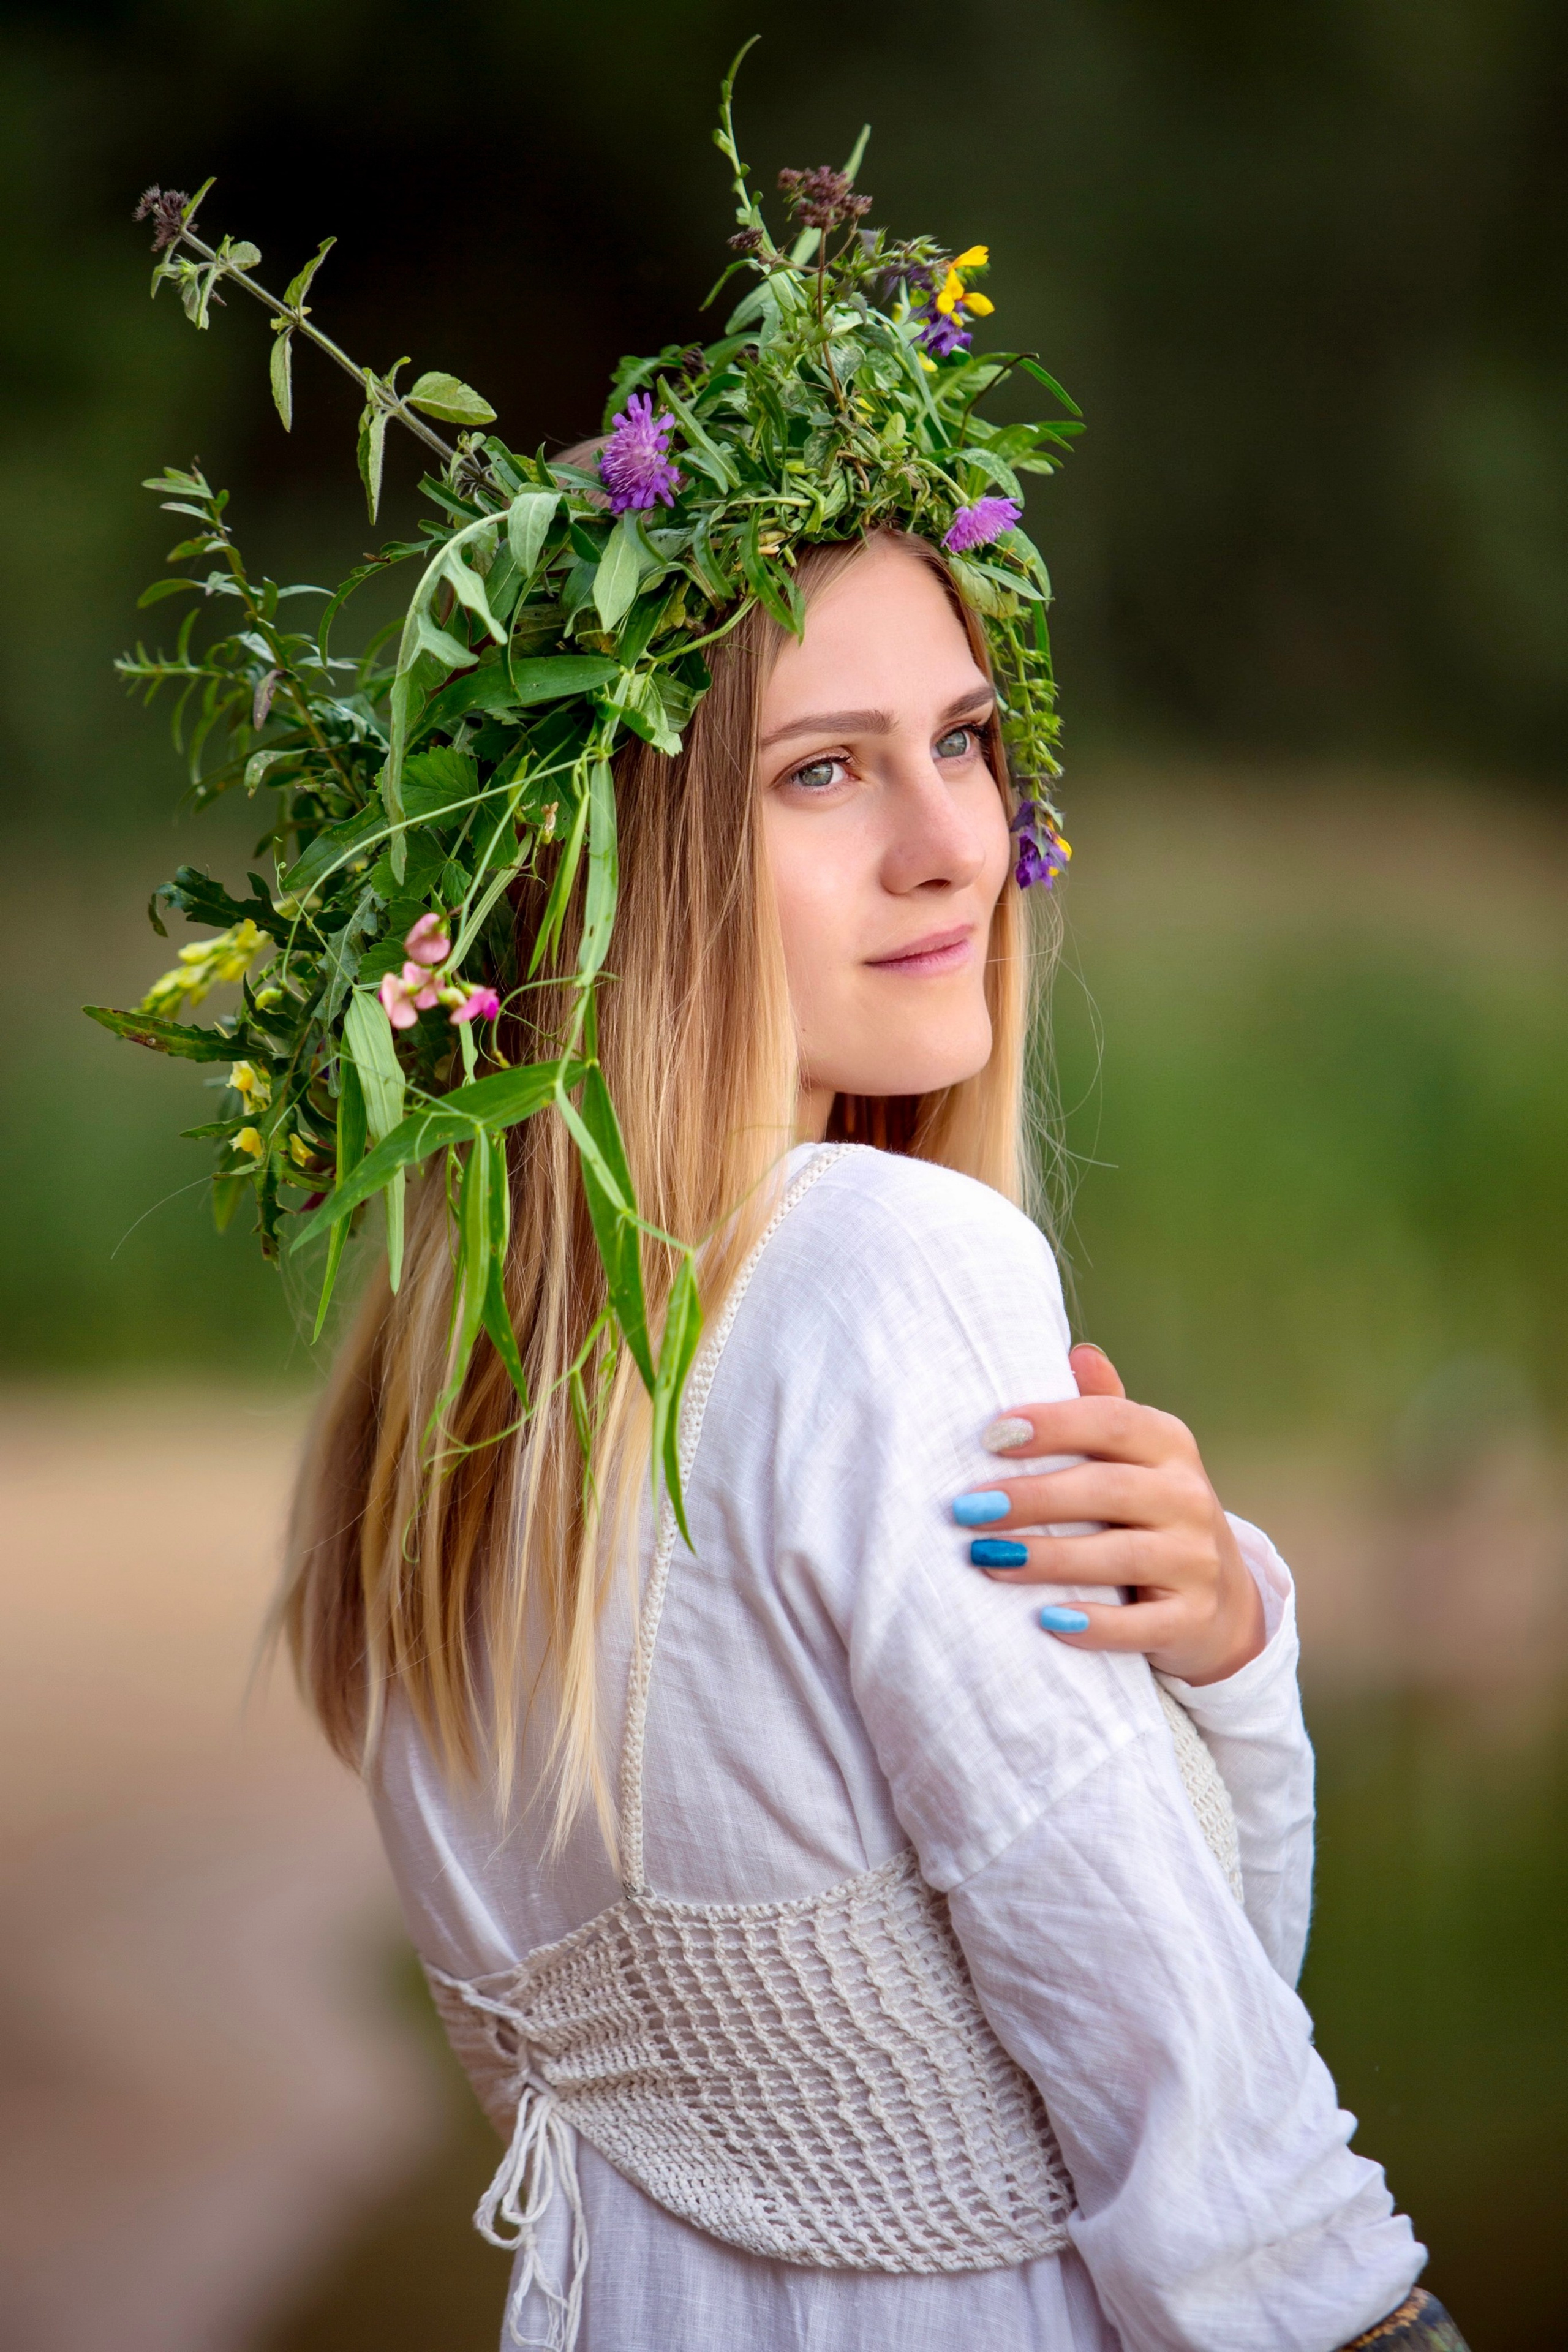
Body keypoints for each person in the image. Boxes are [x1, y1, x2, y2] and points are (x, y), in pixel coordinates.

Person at [283, 516, 1466, 2352]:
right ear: (628, 866)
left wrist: (1226, 1643)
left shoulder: (450, 1416)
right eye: (822, 771)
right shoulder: (881, 1271)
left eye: (967, 741)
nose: (954, 851)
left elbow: (1154, 1986)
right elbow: (1207, 2123)